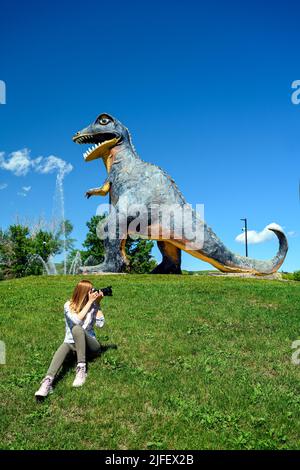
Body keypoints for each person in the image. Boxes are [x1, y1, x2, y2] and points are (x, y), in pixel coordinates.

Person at [35, 280, 105, 400]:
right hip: (73, 345)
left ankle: (81, 368)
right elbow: (77, 320)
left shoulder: (93, 305)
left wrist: (97, 304)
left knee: (77, 330)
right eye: (90, 291)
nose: (93, 293)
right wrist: (90, 303)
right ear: (83, 292)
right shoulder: (68, 305)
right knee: (66, 344)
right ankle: (47, 381)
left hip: (91, 347)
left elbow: (100, 324)